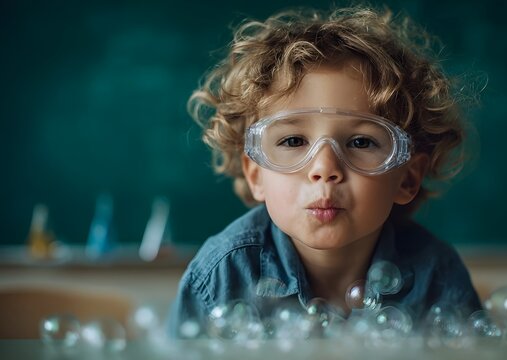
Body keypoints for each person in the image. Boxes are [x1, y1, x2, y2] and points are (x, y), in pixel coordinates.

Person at [168, 5, 481, 337]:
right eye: (292, 140)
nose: (324, 169)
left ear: (406, 177)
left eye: (360, 142)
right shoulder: (221, 275)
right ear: (256, 174)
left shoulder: (436, 275)